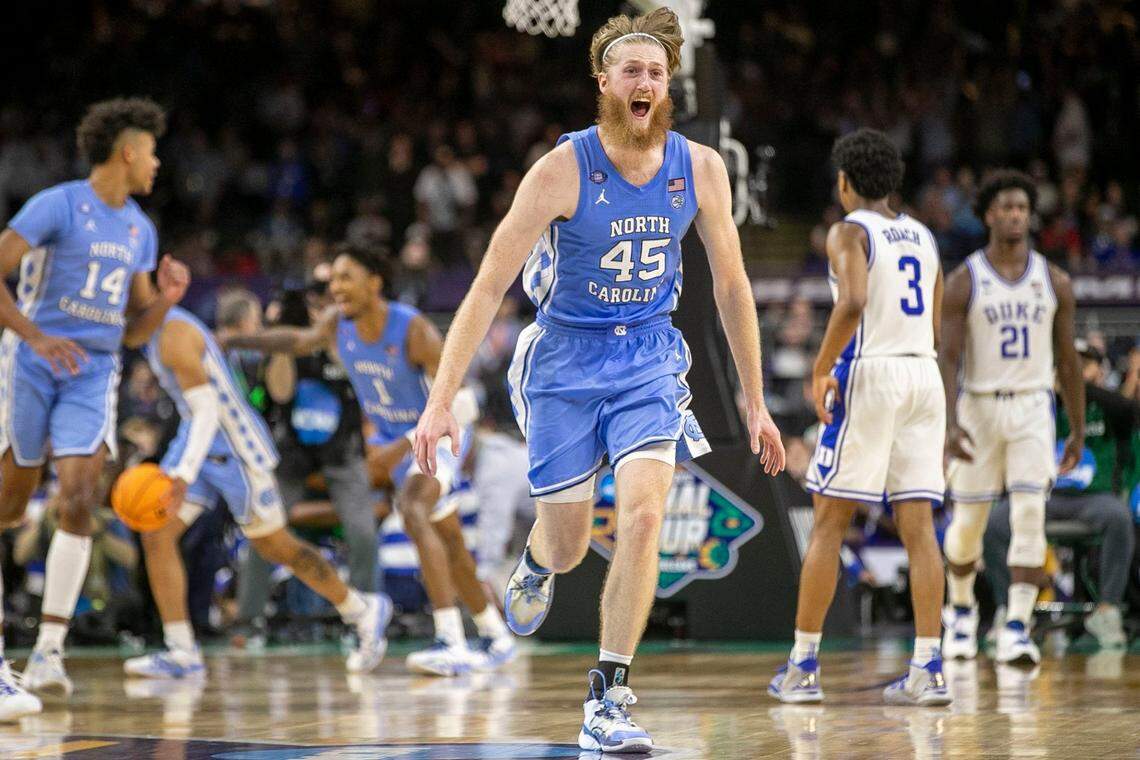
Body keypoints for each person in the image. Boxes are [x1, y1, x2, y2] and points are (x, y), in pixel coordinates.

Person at [413, 9, 785, 753]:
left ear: (666, 83)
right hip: (563, 362)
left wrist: (756, 400)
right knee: (572, 544)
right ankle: (539, 559)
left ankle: (608, 696)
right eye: (631, 71)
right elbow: (488, 286)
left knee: (646, 516)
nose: (645, 82)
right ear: (604, 82)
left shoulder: (700, 167)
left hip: (649, 356)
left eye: (656, 72)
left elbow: (733, 288)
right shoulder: (561, 169)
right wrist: (440, 401)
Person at [222, 245, 515, 677]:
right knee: (449, 542)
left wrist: (406, 443)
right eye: (333, 279)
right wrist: (234, 339)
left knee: (412, 510)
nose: (336, 287)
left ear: (374, 282)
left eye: (346, 277)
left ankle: (450, 639)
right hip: (402, 446)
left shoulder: (412, 330)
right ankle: (495, 634)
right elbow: (298, 341)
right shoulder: (339, 326)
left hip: (440, 436)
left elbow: (465, 401)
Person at [0, 97, 191, 717]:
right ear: (128, 150)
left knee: (80, 495)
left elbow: (133, 331)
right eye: (153, 152)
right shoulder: (57, 204)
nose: (158, 164)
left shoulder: (140, 228)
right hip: (29, 363)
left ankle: (47, 651)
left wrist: (163, 300)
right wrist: (33, 334)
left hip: (93, 373)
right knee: (8, 502)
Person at [768, 129, 951, 707]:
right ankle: (928, 668)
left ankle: (802, 666)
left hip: (871, 373)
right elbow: (938, 323)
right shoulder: (923, 235)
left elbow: (851, 301)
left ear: (844, 182)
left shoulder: (849, 230)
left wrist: (822, 368)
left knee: (829, 520)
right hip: (924, 373)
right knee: (919, 528)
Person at [122, 305, 391, 679]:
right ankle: (182, 650)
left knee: (274, 545)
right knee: (156, 533)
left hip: (236, 446)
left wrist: (181, 474)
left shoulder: (175, 331)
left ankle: (361, 609)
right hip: (195, 441)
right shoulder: (149, 332)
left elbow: (210, 410)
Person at [940, 169, 1084, 665]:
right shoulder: (965, 280)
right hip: (978, 407)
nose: (1015, 215)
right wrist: (948, 422)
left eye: (1022, 207)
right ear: (987, 215)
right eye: (1006, 207)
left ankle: (1017, 625)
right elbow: (948, 359)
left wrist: (1078, 429)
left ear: (1031, 215)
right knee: (968, 526)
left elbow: (1068, 361)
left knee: (1029, 518)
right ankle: (959, 612)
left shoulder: (1055, 280)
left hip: (1032, 407)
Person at [221, 288, 379, 636]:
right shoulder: (283, 345)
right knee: (263, 533)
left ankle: (366, 615)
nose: (318, 312)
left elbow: (360, 383)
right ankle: (248, 620)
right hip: (292, 456)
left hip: (342, 452)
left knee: (362, 532)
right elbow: (280, 393)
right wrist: (284, 344)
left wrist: (327, 338)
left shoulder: (346, 339)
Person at [983, 338, 1136, 648]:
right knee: (996, 523)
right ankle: (1009, 608)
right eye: (1070, 363)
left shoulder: (1108, 404)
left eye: (1084, 364)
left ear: (1098, 370)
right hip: (1043, 498)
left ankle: (1107, 610)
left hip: (1095, 499)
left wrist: (1077, 386)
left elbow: (1129, 412)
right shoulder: (1039, 402)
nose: (1076, 369)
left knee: (1119, 518)